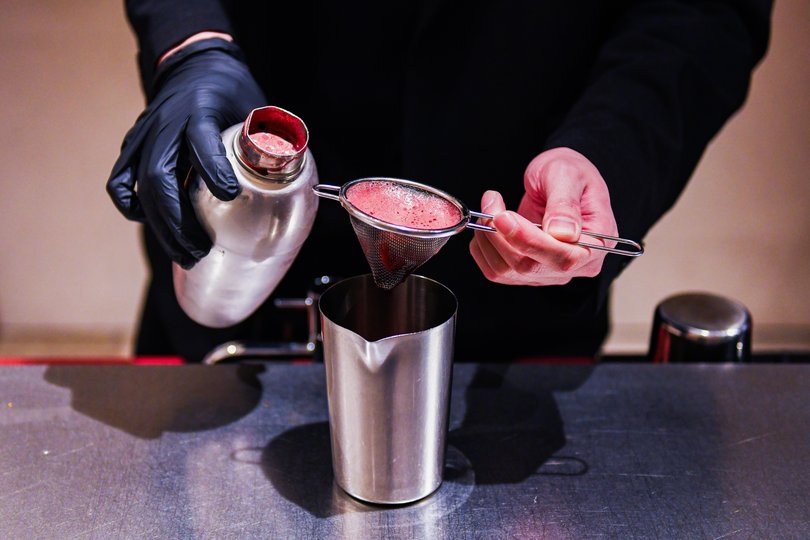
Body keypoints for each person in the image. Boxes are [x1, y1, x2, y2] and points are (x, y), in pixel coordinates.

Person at [108, 1, 772, 363]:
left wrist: (606, 152)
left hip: (503, 348)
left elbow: (702, 13)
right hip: (235, 312)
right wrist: (190, 43)